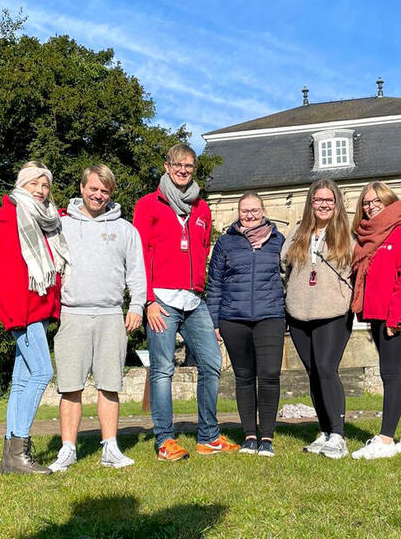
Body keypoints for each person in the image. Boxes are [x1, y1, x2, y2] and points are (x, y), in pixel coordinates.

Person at [133, 143, 240, 461]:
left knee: (210, 363)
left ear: (194, 170)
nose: (182, 170)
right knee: (163, 370)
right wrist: (148, 300)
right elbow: (139, 256)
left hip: (195, 300)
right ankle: (164, 440)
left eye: (189, 166)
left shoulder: (202, 209)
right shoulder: (148, 205)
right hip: (161, 301)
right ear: (166, 166)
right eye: (177, 164)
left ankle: (208, 436)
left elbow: (202, 250)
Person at [47, 165, 146, 472]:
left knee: (109, 385)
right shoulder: (60, 226)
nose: (98, 195)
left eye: (104, 191)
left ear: (111, 194)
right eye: (93, 188)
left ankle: (110, 449)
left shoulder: (126, 229)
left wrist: (137, 306)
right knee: (70, 386)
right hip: (72, 313)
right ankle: (67, 450)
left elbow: (137, 272)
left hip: (110, 314)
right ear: (81, 188)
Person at [0, 161, 71, 475]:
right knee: (41, 372)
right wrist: (15, 317)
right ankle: (19, 452)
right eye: (34, 184)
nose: (40, 190)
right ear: (21, 184)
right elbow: (2, 272)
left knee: (22, 380)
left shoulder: (46, 219)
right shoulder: (8, 216)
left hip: (41, 310)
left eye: (45, 185)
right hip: (23, 313)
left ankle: (11, 455)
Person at [348, 181, 401, 460]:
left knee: (390, 375)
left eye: (376, 202)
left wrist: (395, 319)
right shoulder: (372, 237)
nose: (370, 207)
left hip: (396, 316)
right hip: (377, 315)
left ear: (389, 201)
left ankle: (385, 440)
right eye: (366, 203)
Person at [207, 192, 286, 457]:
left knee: (269, 375)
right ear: (238, 212)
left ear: (263, 211)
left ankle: (267, 437)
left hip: (270, 316)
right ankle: (249, 436)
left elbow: (289, 277)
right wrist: (214, 319)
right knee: (243, 377)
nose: (249, 215)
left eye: (254, 210)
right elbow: (215, 283)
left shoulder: (279, 241)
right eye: (244, 211)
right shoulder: (226, 243)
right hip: (233, 318)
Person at [281, 179, 354, 459]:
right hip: (299, 313)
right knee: (313, 374)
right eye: (318, 200)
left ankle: (338, 435)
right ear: (311, 203)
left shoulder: (348, 234)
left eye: (329, 200)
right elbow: (282, 267)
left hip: (333, 312)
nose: (323, 204)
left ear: (336, 203)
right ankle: (324, 432)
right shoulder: (297, 234)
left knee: (326, 369)